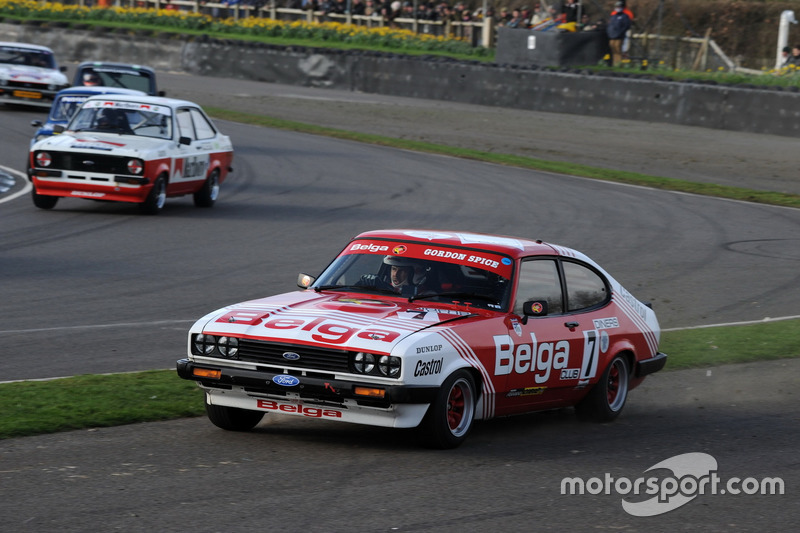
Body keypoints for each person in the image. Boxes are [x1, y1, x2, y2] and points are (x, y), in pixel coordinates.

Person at [606, 1, 631, 67]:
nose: (618, 8)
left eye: (619, 7)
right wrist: (610, 33)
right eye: (617, 7)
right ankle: (614, 63)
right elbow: (610, 25)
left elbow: (626, 26)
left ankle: (619, 64)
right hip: (612, 36)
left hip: (619, 36)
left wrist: (620, 33)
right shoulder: (613, 16)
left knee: (618, 49)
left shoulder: (625, 16)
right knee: (613, 49)